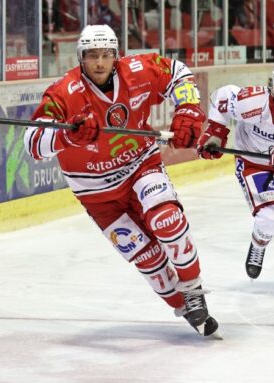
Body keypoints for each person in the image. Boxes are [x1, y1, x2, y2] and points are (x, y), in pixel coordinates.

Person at [24, 24, 219, 337]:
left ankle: (193, 289)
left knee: (166, 219)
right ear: (80, 58)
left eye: (106, 55)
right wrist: (67, 134)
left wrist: (188, 110)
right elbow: (32, 143)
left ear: (116, 55)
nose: (99, 63)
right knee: (148, 260)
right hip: (97, 195)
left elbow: (177, 72)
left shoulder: (138, 71)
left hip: (140, 166)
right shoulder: (63, 93)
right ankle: (182, 304)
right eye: (92, 56)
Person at [197, 60, 274, 282]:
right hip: (254, 162)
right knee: (270, 218)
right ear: (272, 87)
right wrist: (215, 132)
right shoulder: (253, 102)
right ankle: (258, 244)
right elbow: (221, 96)